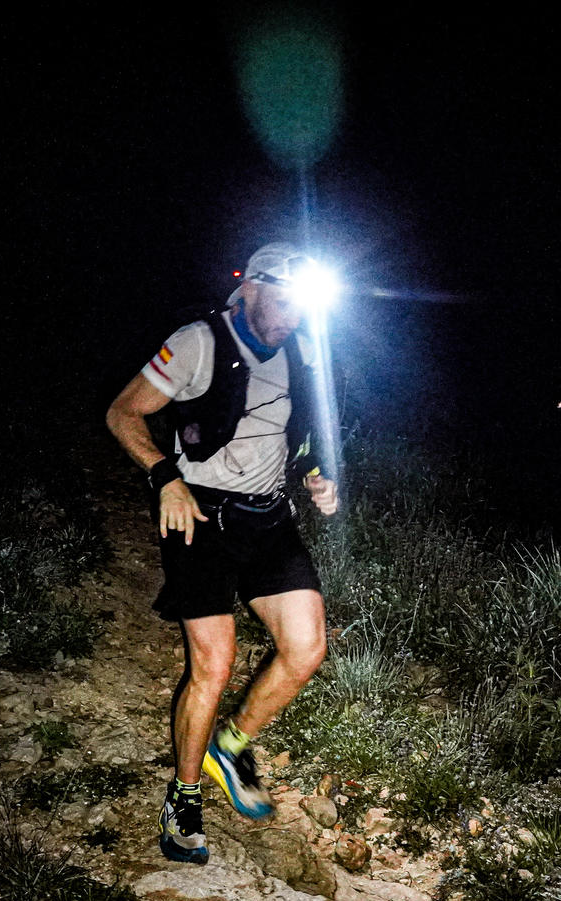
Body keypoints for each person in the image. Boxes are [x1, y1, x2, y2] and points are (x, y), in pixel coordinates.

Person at [105, 242, 340, 865]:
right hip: (199, 516)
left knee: (306, 648)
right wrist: (164, 477)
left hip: (267, 518)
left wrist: (316, 473)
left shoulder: (302, 350)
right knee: (213, 666)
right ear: (252, 288)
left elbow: (299, 434)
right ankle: (183, 799)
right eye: (285, 302)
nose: (293, 317)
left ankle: (230, 746)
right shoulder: (197, 342)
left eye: (303, 307)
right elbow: (123, 413)